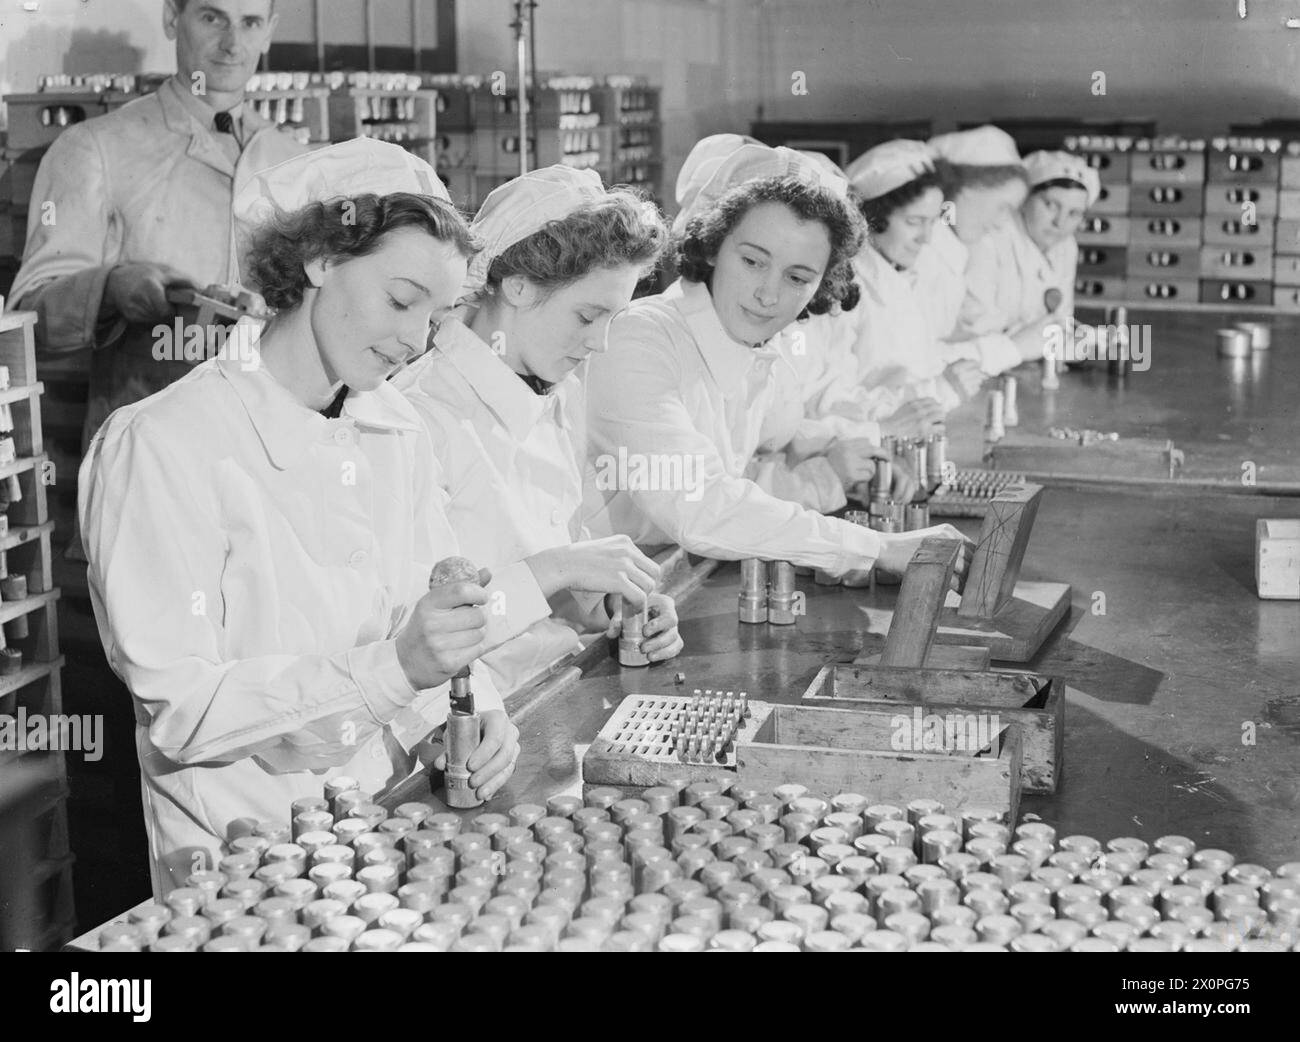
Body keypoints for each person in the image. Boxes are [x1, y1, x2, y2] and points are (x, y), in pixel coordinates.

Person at [78, 140, 549, 897]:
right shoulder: (163, 444)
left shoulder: (397, 427)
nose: (414, 341)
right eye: (401, 300)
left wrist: (475, 709)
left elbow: (421, 623)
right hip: (248, 869)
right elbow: (182, 709)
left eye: (437, 314)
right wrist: (395, 670)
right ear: (320, 260)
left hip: (395, 831)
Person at [583, 136, 972, 580]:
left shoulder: (757, 353)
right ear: (711, 245)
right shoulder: (640, 341)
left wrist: (835, 469)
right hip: (585, 620)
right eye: (752, 261)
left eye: (797, 277)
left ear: (822, 285)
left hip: (669, 586)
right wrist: (876, 547)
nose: (769, 295)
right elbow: (701, 507)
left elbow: (741, 482)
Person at [393, 166, 685, 696]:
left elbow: (565, 569)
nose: (598, 343)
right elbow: (419, 639)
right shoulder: (420, 417)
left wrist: (615, 602)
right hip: (476, 721)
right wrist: (559, 567)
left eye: (613, 320)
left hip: (559, 687)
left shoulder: (554, 391)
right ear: (518, 286)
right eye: (587, 315)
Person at [8, 0, 306, 453]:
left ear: (269, 32)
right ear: (172, 19)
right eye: (212, 18)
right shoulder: (94, 149)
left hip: (272, 445)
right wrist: (109, 288)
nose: (232, 43)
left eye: (249, 23)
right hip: (146, 448)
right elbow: (31, 317)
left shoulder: (299, 162)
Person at [840, 139, 986, 427]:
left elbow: (915, 364)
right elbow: (836, 405)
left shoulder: (901, 276)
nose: (927, 238)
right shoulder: (845, 289)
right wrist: (940, 391)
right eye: (914, 222)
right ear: (873, 218)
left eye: (932, 222)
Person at [916, 125, 1054, 375]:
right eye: (1002, 207)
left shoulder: (952, 252)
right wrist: (1012, 348)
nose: (1001, 223)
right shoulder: (922, 255)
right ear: (966, 191)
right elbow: (917, 363)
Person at [960, 150, 1099, 340]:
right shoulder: (989, 237)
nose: (1060, 222)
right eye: (1051, 205)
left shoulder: (1066, 247)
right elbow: (974, 327)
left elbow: (1061, 320)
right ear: (1024, 199)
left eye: (1074, 213)